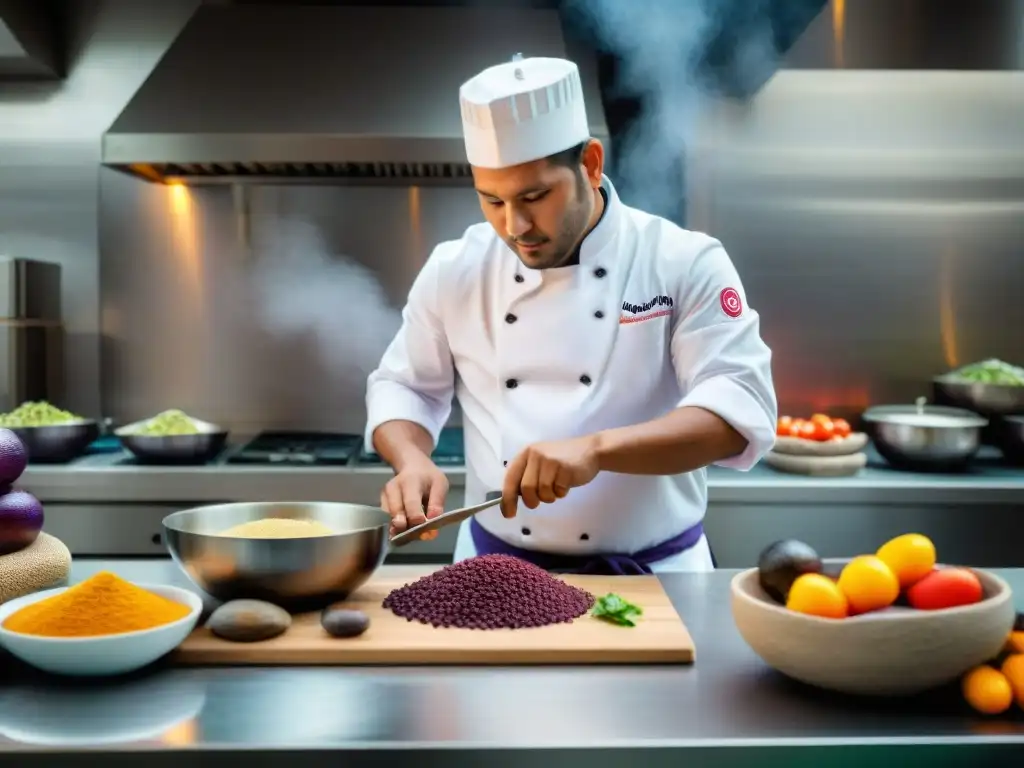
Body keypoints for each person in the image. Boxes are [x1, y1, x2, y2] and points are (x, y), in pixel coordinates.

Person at [364, 55, 777, 573]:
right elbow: (404, 386)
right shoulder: (456, 267)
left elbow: (738, 412)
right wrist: (411, 459)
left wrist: (598, 450)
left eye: (535, 196)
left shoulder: (682, 260)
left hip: (659, 578)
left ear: (591, 164)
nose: (515, 225)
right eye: (491, 201)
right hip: (496, 574)